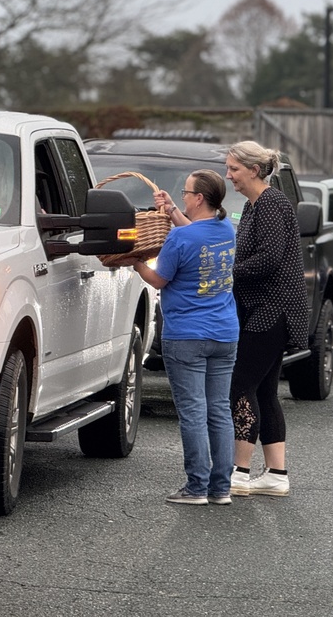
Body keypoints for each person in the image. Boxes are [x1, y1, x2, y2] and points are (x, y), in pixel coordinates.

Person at [124, 170, 240, 506]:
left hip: (187, 334)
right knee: (219, 410)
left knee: (192, 411)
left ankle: (196, 487)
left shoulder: (178, 239)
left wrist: (136, 262)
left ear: (199, 198)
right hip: (224, 332)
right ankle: (220, 488)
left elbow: (159, 279)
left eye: (186, 193)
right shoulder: (226, 230)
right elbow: (196, 236)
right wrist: (173, 210)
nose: (184, 196)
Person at [224, 141, 309, 498]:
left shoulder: (272, 203)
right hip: (265, 308)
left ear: (254, 170)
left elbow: (269, 258)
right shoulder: (254, 205)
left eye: (234, 169)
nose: (229, 175)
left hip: (273, 310)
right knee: (264, 390)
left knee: (240, 385)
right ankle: (276, 474)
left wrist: (227, 274)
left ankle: (240, 472)